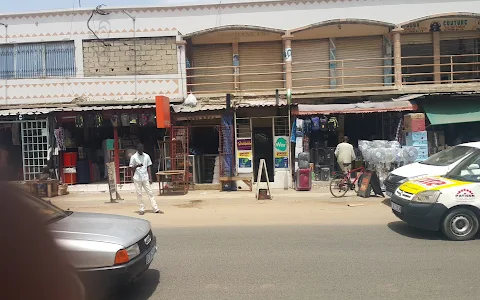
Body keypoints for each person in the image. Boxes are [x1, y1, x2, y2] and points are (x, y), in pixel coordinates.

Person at [129, 143, 163, 215]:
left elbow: (148, 167)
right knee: (139, 194)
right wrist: (137, 166)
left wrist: (150, 178)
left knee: (150, 193)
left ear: (143, 149)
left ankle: (155, 209)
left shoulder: (146, 156)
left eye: (142, 150)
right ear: (137, 150)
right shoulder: (134, 157)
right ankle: (141, 209)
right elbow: (131, 168)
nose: (141, 151)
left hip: (145, 177)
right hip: (137, 178)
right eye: (139, 150)